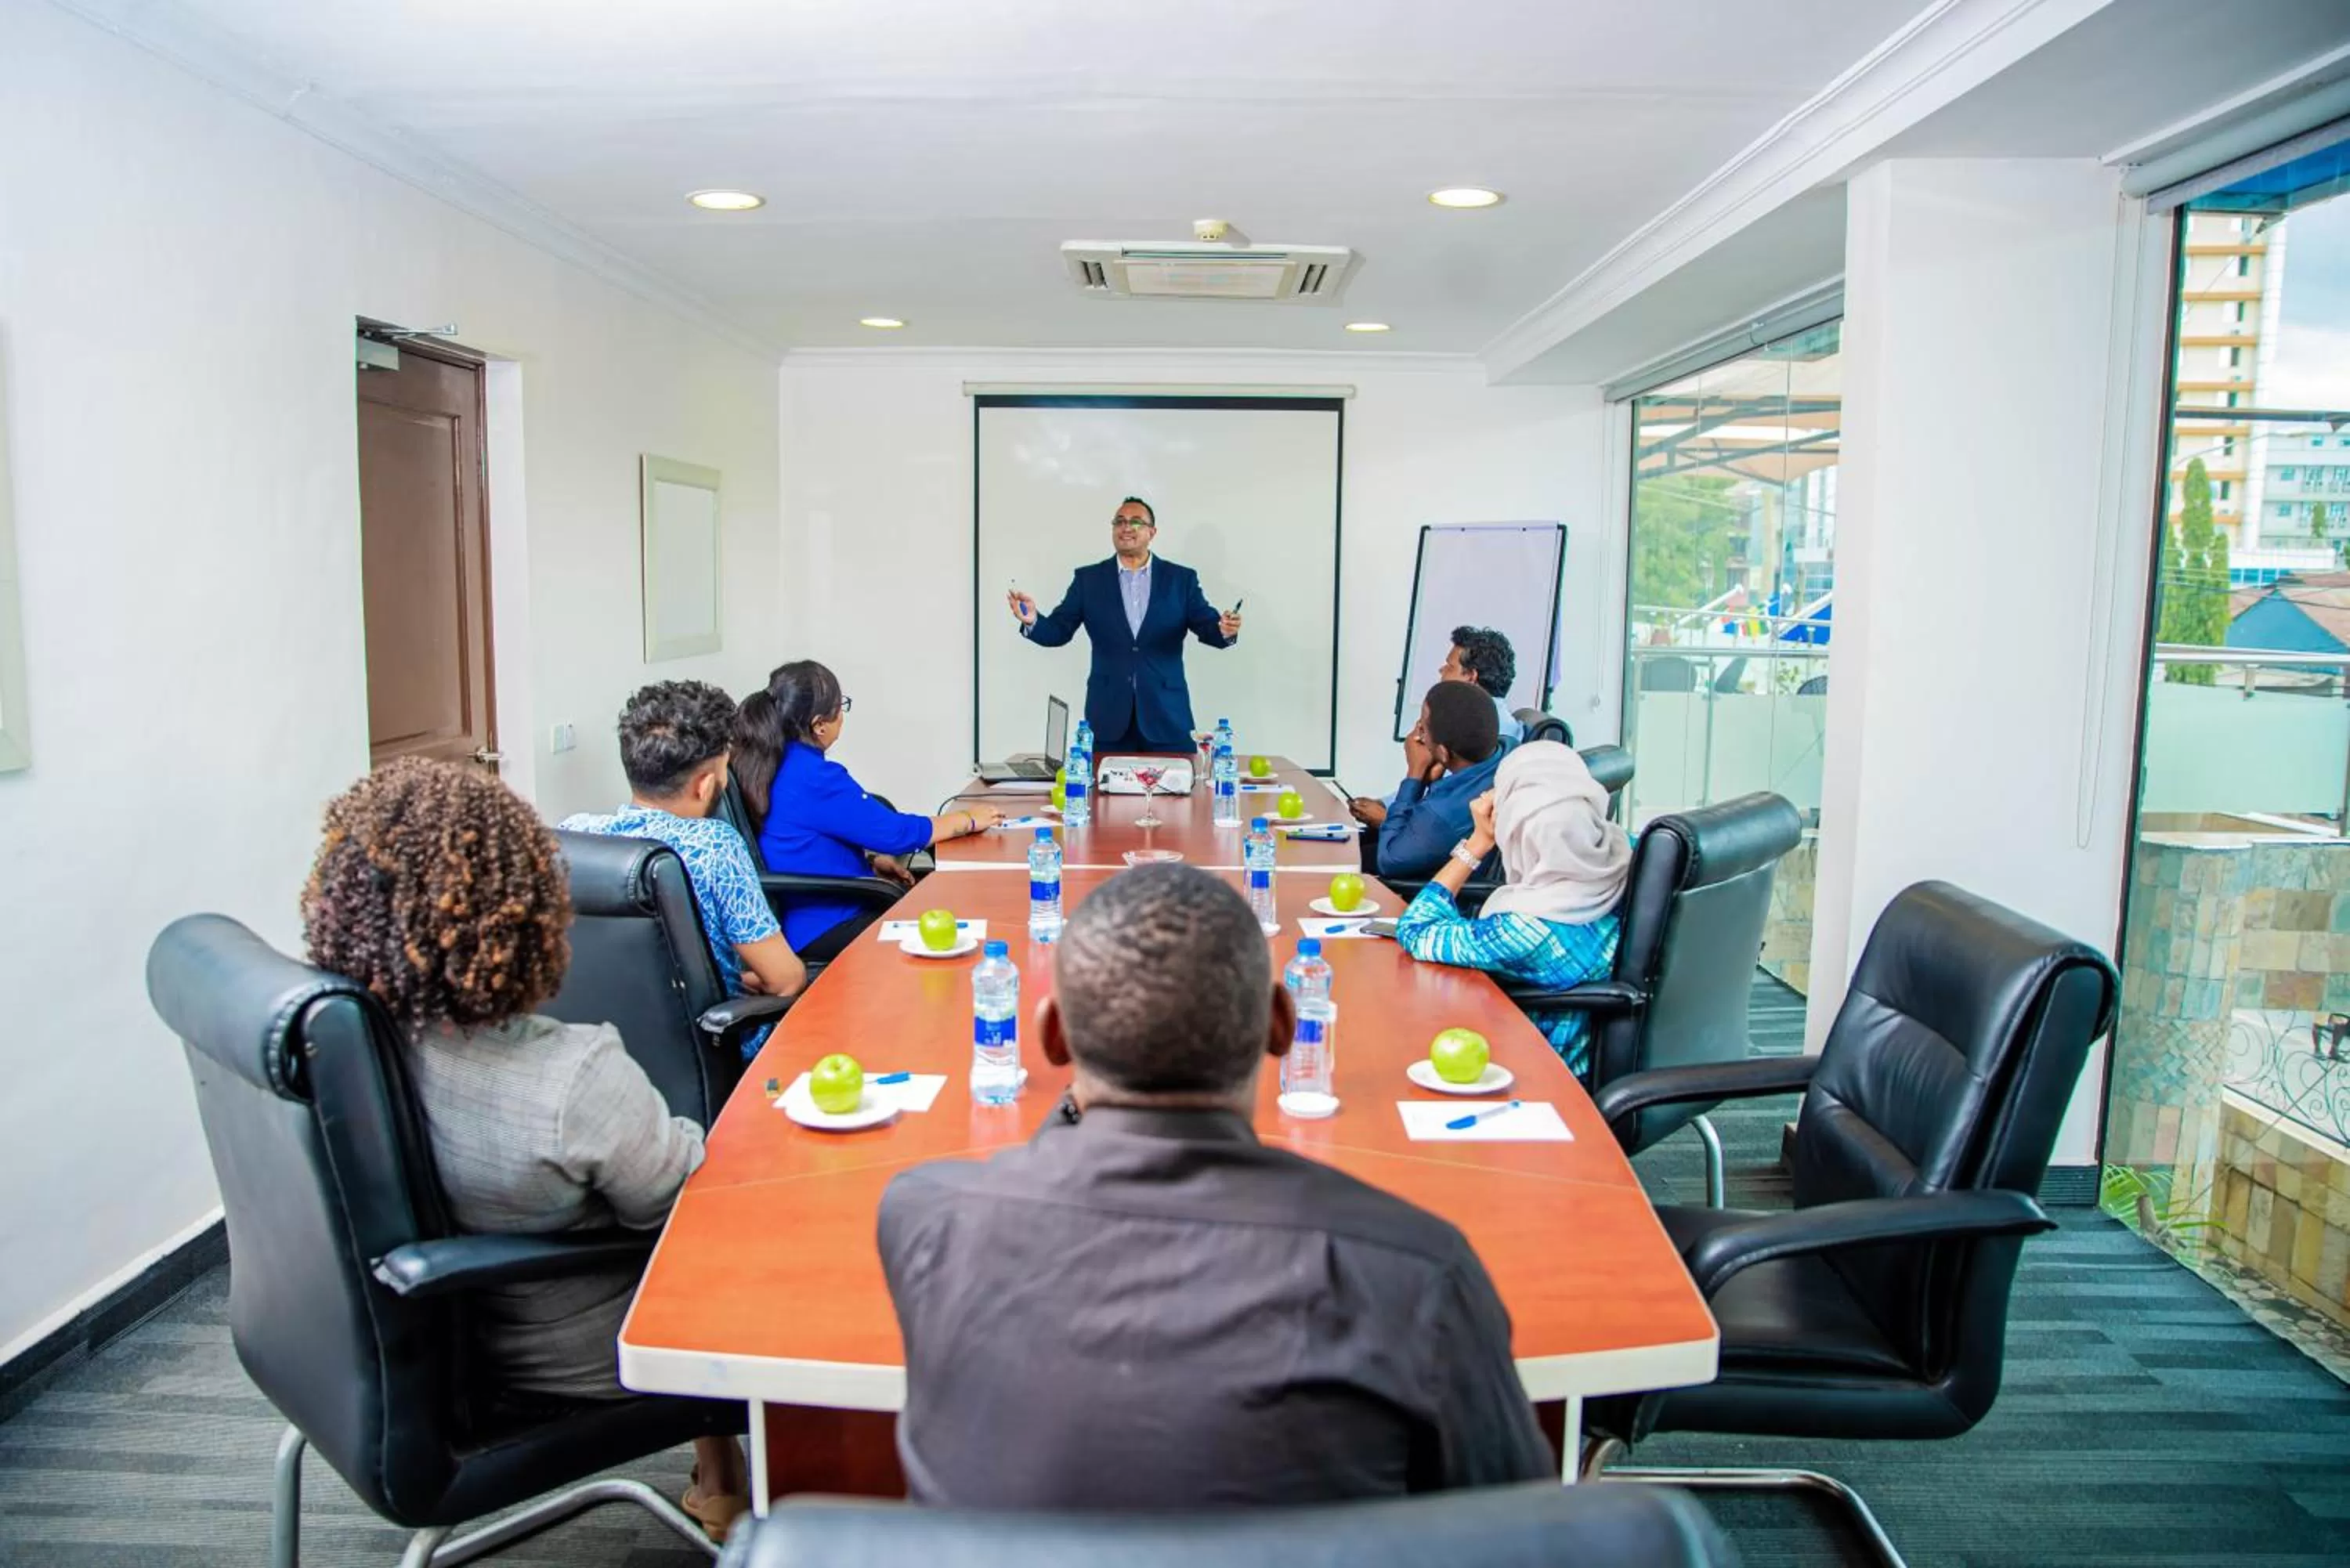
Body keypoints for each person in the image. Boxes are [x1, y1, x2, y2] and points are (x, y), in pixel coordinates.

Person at [877, 863, 1555, 1509]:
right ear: (1284, 1026)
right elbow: (1515, 1524)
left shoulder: (928, 1219)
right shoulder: (1420, 1271)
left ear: (1052, 1036)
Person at [300, 758, 750, 1539]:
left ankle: (722, 1480)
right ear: (527, 908)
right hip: (575, 1345)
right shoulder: (569, 1075)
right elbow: (684, 1202)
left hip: (407, 1354)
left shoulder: (350, 1047)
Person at [561, 681, 804, 1053]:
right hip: (715, 1053)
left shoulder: (574, 835)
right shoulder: (714, 847)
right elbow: (785, 981)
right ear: (705, 785)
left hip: (603, 1053)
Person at [732, 660, 1003, 959]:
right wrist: (966, 819)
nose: (842, 719)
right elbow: (896, 834)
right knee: (965, 932)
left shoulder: (769, 762)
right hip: (830, 924)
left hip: (810, 918)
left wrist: (869, 862)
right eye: (840, 708)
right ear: (819, 724)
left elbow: (804, 841)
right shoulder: (814, 777)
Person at [1393, 742, 1630, 1078]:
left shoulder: (1525, 930)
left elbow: (1416, 929)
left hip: (1537, 1073)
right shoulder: (1629, 855)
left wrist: (1478, 842)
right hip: (1588, 1052)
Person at [1004, 496, 1242, 754]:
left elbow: (1207, 625)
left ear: (1152, 532)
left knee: (1178, 794)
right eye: (1119, 521)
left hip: (1167, 718)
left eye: (1136, 522)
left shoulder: (1180, 579)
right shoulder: (1089, 580)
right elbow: (1059, 630)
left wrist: (1224, 630)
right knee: (1103, 795)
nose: (1126, 527)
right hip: (1108, 718)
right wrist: (1033, 620)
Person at [1352, 681, 1509, 880]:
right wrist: (1428, 783)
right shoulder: (1509, 748)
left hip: (1437, 896)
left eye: (1423, 728)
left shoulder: (1443, 813)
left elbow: (1388, 860)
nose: (1418, 733)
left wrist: (1415, 774)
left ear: (1444, 753)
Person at [1444, 624, 1528, 743]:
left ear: (1471, 676)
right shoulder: (1505, 723)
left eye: (1450, 667)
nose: (1442, 670)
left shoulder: (1474, 730)